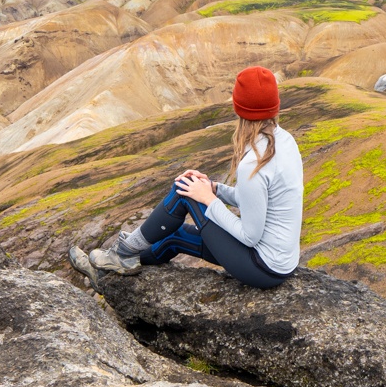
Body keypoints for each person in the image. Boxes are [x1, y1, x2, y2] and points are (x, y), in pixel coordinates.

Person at [69, 65, 303, 290]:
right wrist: (214, 188)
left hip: (261, 266)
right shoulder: (285, 141)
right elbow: (256, 201)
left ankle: (123, 252)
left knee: (184, 189)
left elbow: (250, 236)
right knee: (175, 237)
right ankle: (108, 269)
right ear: (275, 106)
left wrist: (208, 200)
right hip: (279, 264)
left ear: (239, 108)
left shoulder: (254, 165)